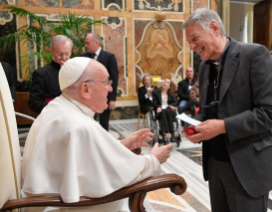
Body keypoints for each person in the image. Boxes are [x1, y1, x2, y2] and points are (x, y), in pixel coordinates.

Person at [22, 57, 173, 212]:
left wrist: (121, 145)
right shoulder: (80, 125)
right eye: (106, 83)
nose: (110, 89)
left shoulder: (56, 108)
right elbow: (119, 174)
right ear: (86, 89)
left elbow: (81, 159)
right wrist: (153, 159)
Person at [183, 8, 272, 212]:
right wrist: (197, 123)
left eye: (194, 39)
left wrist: (223, 127)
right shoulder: (204, 65)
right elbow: (210, 106)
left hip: (248, 166)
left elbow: (270, 112)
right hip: (215, 164)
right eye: (189, 43)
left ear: (214, 28)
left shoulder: (254, 54)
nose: (192, 47)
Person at [81, 33, 118, 131]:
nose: (85, 45)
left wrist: (112, 98)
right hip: (87, 96)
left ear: (96, 42)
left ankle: (103, 143)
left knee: (104, 123)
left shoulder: (109, 57)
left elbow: (114, 78)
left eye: (87, 43)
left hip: (104, 96)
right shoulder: (83, 57)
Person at [28, 35, 72, 114]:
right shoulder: (41, 74)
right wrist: (55, 108)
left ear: (70, 51)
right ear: (52, 51)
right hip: (52, 116)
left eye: (67, 53)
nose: (64, 57)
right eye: (59, 54)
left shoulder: (77, 70)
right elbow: (33, 102)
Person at [153, 79, 178, 144]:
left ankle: (172, 135)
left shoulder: (171, 94)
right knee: (163, 112)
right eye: (164, 81)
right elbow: (154, 103)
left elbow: (175, 102)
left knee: (168, 112)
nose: (165, 83)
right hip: (160, 111)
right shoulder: (156, 92)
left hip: (168, 110)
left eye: (167, 82)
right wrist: (158, 107)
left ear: (169, 87)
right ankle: (164, 135)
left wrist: (170, 106)